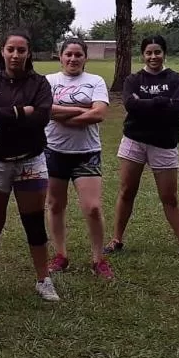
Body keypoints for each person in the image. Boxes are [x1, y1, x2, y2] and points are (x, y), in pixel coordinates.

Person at [0, 29, 60, 301]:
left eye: (21, 50)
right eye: (10, 49)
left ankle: (43, 279)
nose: (15, 55)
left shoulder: (39, 84)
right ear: (2, 51)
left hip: (30, 160)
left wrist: (5, 115)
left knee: (34, 222)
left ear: (28, 53)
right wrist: (19, 111)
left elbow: (41, 118)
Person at [108, 34, 179, 261]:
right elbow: (131, 106)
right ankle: (116, 239)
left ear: (164, 53)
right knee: (126, 192)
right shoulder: (133, 79)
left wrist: (145, 104)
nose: (153, 56)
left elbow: (178, 108)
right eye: (149, 52)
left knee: (169, 197)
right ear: (143, 55)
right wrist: (161, 101)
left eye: (157, 52)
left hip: (164, 144)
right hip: (134, 141)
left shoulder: (176, 79)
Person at [44, 39, 116, 279]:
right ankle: (60, 255)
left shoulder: (95, 81)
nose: (73, 59)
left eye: (78, 55)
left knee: (93, 208)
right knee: (56, 204)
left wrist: (62, 116)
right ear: (60, 56)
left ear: (85, 57)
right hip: (54, 151)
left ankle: (98, 259)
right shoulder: (49, 81)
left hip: (86, 153)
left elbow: (99, 114)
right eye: (68, 54)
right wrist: (81, 111)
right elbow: (47, 111)